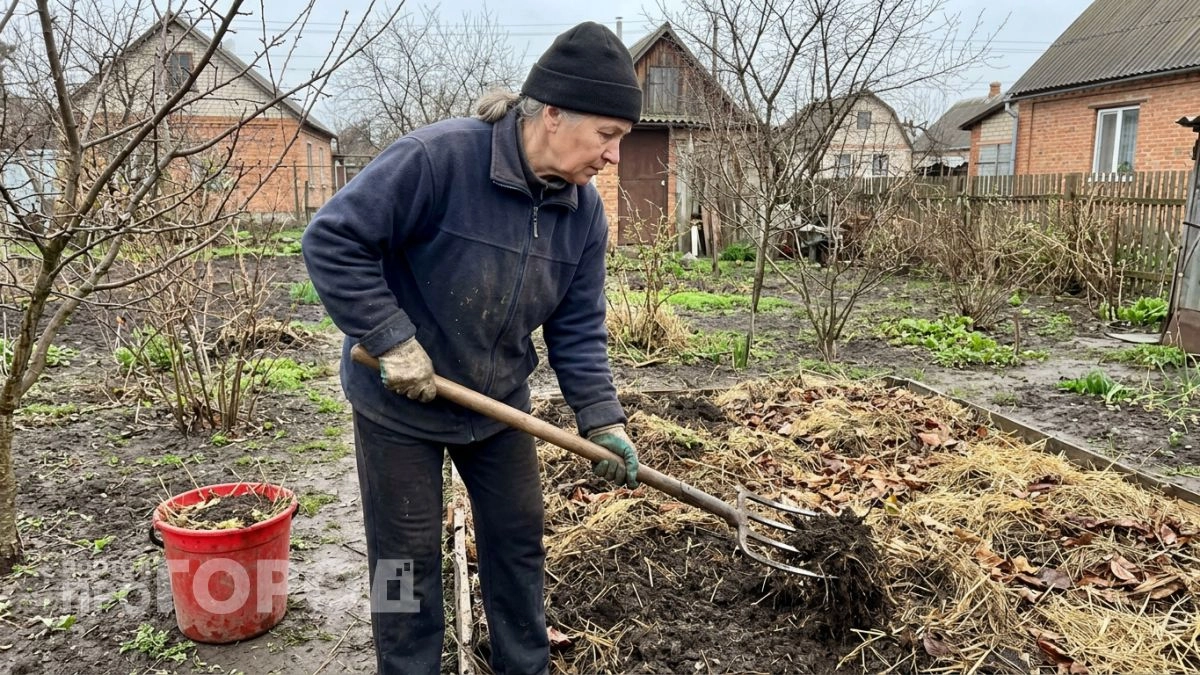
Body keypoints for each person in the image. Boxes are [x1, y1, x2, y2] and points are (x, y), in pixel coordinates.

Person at [301, 21, 642, 675]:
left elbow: (576, 326)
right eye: (608, 136)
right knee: (402, 563)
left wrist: (602, 418)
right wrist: (392, 338)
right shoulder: (439, 160)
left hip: (495, 404)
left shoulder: (583, 212)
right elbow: (332, 239)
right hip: (395, 404)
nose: (613, 157)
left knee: (517, 545)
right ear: (553, 115)